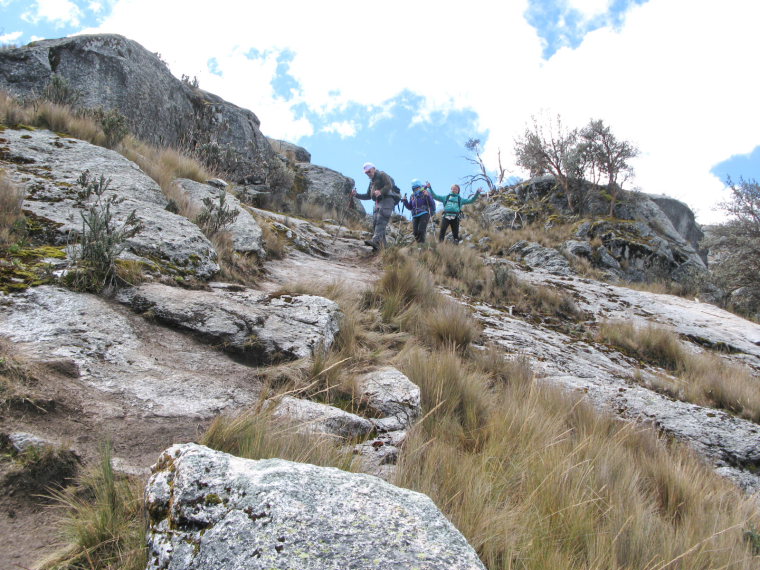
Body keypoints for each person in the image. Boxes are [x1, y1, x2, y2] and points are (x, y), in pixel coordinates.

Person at [352, 162, 396, 251]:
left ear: (374, 169)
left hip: (387, 201)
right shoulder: (372, 182)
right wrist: (356, 195)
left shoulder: (382, 174)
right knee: (376, 223)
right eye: (366, 172)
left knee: (381, 220)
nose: (368, 173)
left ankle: (375, 241)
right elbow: (368, 196)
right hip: (378, 203)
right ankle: (382, 248)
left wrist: (381, 191)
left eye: (369, 171)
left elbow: (389, 185)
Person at [401, 178, 435, 243]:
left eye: (417, 187)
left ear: (420, 187)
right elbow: (410, 207)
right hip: (415, 215)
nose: (416, 189)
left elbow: (432, 203)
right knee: (415, 233)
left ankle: (421, 246)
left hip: (424, 213)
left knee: (421, 231)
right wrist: (405, 201)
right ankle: (420, 245)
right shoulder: (412, 196)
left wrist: (427, 196)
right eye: (414, 188)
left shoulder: (425, 192)